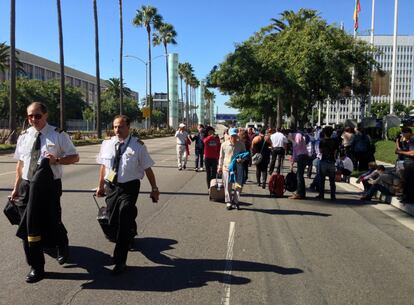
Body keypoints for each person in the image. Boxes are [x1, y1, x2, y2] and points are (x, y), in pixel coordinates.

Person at [11, 101, 79, 283]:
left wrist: (56, 160)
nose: (33, 119)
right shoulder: (24, 136)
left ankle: (61, 245)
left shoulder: (58, 134)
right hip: (27, 185)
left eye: (37, 115)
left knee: (52, 220)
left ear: (46, 115)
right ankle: (36, 266)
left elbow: (74, 156)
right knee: (28, 227)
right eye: (30, 116)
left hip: (49, 185)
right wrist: (16, 187)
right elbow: (21, 164)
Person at [96, 115, 160, 275]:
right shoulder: (107, 144)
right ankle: (131, 228)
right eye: (115, 127)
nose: (117, 130)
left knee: (124, 214)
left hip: (130, 187)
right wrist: (100, 186)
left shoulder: (138, 146)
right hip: (112, 186)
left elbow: (147, 168)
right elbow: (104, 167)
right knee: (112, 221)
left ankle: (120, 260)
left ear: (128, 127)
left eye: (121, 127)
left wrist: (154, 188)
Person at [218, 128, 246, 210]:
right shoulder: (224, 145)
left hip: (238, 168)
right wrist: (219, 167)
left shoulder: (241, 145)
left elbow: (244, 155)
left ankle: (236, 200)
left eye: (235, 135)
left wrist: (242, 159)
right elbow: (221, 157)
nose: (234, 137)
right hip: (227, 168)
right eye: (232, 135)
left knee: (239, 185)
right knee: (227, 186)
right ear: (229, 135)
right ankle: (228, 202)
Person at [316, 126, 338, 200]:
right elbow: (335, 152)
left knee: (322, 179)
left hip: (324, 161)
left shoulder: (322, 141)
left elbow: (321, 151)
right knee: (332, 180)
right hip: (332, 161)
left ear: (324, 133)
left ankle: (321, 194)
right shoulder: (334, 141)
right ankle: (333, 195)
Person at [289, 131, 309, 200]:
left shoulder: (298, 135)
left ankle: (300, 193)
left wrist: (292, 140)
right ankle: (301, 193)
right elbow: (294, 152)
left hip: (303, 156)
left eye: (287, 136)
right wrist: (292, 162)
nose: (288, 138)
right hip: (300, 156)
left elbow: (297, 146)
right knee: (299, 175)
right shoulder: (293, 139)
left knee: (299, 175)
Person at [396, 127, 414, 202]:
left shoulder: (412, 140)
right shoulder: (409, 140)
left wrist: (401, 152)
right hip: (407, 163)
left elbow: (412, 153)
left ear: (408, 133)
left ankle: (409, 198)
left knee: (409, 181)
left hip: (411, 164)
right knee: (406, 181)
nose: (402, 135)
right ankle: (406, 196)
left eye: (403, 133)